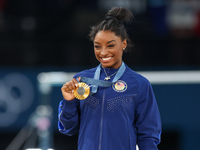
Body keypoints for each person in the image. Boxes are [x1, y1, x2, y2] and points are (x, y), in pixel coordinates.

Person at [58, 7, 161, 150]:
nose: (103, 52)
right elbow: (68, 129)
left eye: (110, 45)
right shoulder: (81, 80)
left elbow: (148, 135)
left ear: (123, 44)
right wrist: (68, 102)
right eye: (97, 46)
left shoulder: (139, 84)